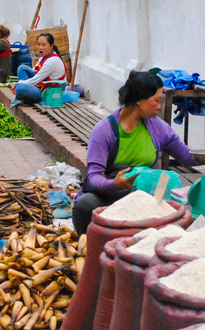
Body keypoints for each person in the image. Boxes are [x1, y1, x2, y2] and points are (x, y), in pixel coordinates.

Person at [72, 71, 197, 234]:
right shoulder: (105, 130)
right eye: (156, 100)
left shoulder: (158, 128)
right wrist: (114, 184)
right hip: (110, 196)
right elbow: (93, 177)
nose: (159, 106)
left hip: (144, 199)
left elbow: (187, 156)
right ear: (139, 100)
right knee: (85, 205)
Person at [14, 32, 66, 104]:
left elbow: (36, 79)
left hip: (49, 93)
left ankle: (26, 95)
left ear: (51, 46)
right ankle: (26, 95)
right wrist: (22, 83)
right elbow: (34, 72)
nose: (40, 47)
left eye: (43, 45)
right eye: (39, 44)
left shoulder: (52, 61)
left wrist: (19, 84)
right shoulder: (43, 58)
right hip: (40, 85)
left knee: (20, 88)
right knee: (22, 68)